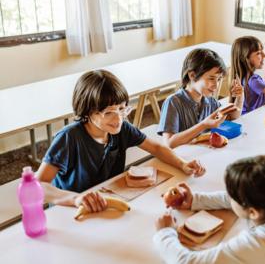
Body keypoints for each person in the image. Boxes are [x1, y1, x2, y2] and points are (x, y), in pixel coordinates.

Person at [37, 70, 205, 213]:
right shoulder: (69, 138)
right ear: (88, 111)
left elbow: (156, 147)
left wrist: (182, 164)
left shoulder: (121, 128)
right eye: (109, 112)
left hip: (106, 201)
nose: (118, 118)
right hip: (69, 210)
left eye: (122, 108)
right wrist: (76, 199)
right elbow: (37, 186)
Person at [154, 155, 265, 264]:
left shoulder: (259, 243)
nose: (229, 197)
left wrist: (165, 232)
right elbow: (236, 200)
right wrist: (196, 200)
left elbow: (187, 262)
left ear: (253, 212)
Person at [158, 48, 244, 148]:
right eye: (211, 78)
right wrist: (204, 125)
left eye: (219, 79)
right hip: (181, 160)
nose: (216, 85)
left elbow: (232, 117)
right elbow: (169, 143)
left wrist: (240, 97)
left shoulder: (210, 101)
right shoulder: (173, 102)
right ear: (192, 75)